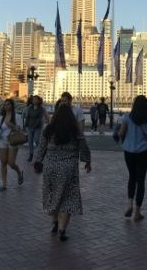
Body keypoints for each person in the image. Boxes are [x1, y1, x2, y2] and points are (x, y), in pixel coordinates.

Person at [32, 103, 91, 242]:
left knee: (52, 194)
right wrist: (87, 161)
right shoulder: (75, 130)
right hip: (69, 168)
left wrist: (37, 161)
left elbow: (41, 147)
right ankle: (62, 229)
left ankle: (54, 222)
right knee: (68, 197)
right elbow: (84, 147)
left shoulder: (49, 129)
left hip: (50, 166)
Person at [118, 95, 147, 222]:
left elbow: (121, 133)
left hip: (129, 151)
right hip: (143, 151)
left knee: (132, 177)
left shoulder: (128, 117)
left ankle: (129, 204)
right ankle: (137, 212)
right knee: (141, 180)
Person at [0, 98, 25, 190]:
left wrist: (11, 125)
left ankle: (19, 172)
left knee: (11, 163)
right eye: (5, 104)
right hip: (2, 141)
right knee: (3, 162)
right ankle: (4, 184)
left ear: (12, 106)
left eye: (8, 104)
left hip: (12, 141)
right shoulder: (1, 118)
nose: (6, 106)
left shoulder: (17, 116)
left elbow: (20, 129)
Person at [24, 95, 49, 162]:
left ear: (39, 100)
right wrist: (25, 126)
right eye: (33, 99)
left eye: (36, 99)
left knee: (37, 140)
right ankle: (31, 154)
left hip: (38, 127)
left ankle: (41, 151)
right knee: (30, 141)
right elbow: (27, 117)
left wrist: (35, 126)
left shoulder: (41, 109)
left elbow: (40, 118)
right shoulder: (30, 108)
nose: (34, 100)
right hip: (30, 127)